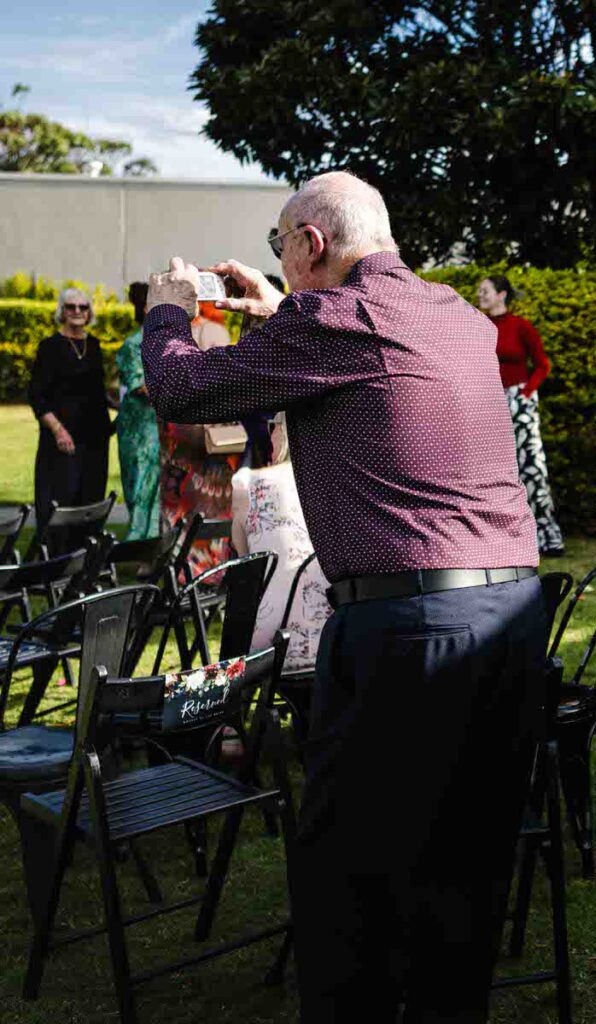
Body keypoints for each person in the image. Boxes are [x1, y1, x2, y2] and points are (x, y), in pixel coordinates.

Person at [142, 171, 545, 1024]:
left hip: (408, 627)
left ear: (310, 243)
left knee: (347, 876)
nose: (279, 260)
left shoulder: (332, 321)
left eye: (280, 244)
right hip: (509, 616)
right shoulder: (456, 316)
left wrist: (168, 309)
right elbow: (363, 346)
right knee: (463, 867)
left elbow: (181, 390)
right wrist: (274, 309)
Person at [231, 411, 330, 673]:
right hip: (334, 642)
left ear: (280, 433)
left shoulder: (246, 483)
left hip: (268, 645)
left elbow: (244, 563)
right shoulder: (333, 483)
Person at [478, 275, 564, 556]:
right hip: (489, 401)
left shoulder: (520, 326)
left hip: (519, 401)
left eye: (486, 291)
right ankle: (500, 533)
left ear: (502, 294)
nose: (481, 295)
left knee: (530, 467)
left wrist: (526, 394)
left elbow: (542, 365)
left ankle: (545, 534)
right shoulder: (478, 326)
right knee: (492, 468)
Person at [157, 301, 237, 577]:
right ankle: (209, 573)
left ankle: (182, 573)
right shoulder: (214, 331)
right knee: (207, 512)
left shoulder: (165, 334)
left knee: (183, 510)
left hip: (184, 443)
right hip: (205, 442)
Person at [29, 287, 112, 544]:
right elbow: (36, 396)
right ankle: (55, 569)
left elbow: (99, 392)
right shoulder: (50, 347)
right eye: (71, 307)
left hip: (95, 441)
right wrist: (58, 430)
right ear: (62, 312)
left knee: (90, 504)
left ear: (89, 313)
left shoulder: (94, 345)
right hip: (62, 441)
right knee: (60, 503)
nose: (77, 312)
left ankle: (84, 567)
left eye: (83, 307)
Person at [115, 282, 160, 541]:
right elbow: (138, 386)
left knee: (160, 489)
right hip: (139, 429)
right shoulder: (133, 344)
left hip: (163, 426)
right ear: (145, 308)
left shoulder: (168, 339)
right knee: (140, 485)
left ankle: (157, 547)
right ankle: (140, 545)